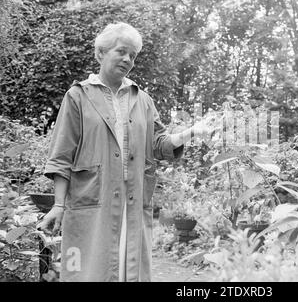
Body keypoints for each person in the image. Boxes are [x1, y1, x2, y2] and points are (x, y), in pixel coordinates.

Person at [36, 22, 211, 282]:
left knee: (130, 272)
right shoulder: (77, 96)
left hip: (132, 204)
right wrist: (59, 205)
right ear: (100, 53)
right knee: (84, 271)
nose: (128, 59)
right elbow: (62, 156)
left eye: (133, 55)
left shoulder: (143, 100)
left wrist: (192, 132)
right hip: (93, 205)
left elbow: (159, 145)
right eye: (121, 51)